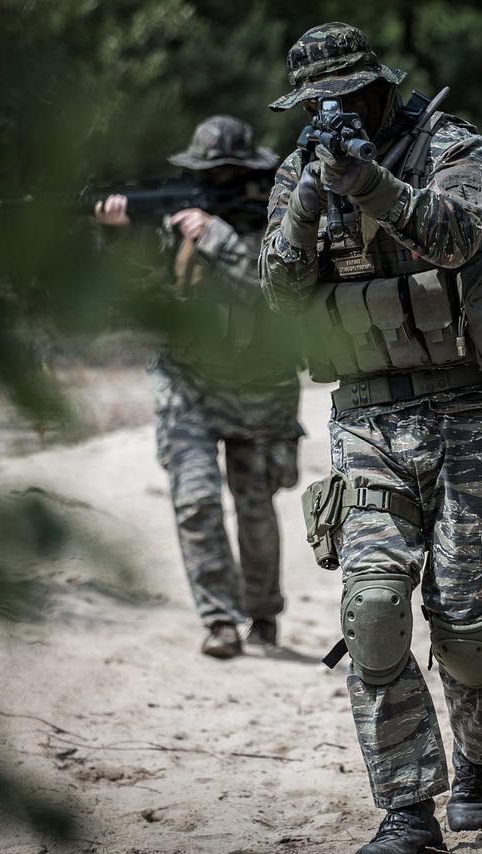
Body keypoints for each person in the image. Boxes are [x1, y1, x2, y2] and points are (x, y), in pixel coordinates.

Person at [259, 22, 482, 854]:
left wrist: (370, 182)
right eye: (317, 104)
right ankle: (407, 808)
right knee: (374, 611)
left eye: (347, 97)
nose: (334, 113)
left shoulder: (451, 146)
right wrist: (313, 201)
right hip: (369, 422)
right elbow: (280, 297)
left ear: (380, 88)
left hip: (473, 416)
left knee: (460, 623)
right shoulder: (297, 174)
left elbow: (459, 234)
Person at [94, 116, 305, 660]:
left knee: (255, 507)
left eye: (233, 173)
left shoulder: (284, 221)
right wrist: (117, 236)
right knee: (196, 502)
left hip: (261, 385)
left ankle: (262, 614)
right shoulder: (179, 222)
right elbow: (141, 289)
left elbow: (273, 293)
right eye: (214, 173)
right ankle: (220, 621)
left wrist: (215, 236)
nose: (224, 183)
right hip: (187, 380)